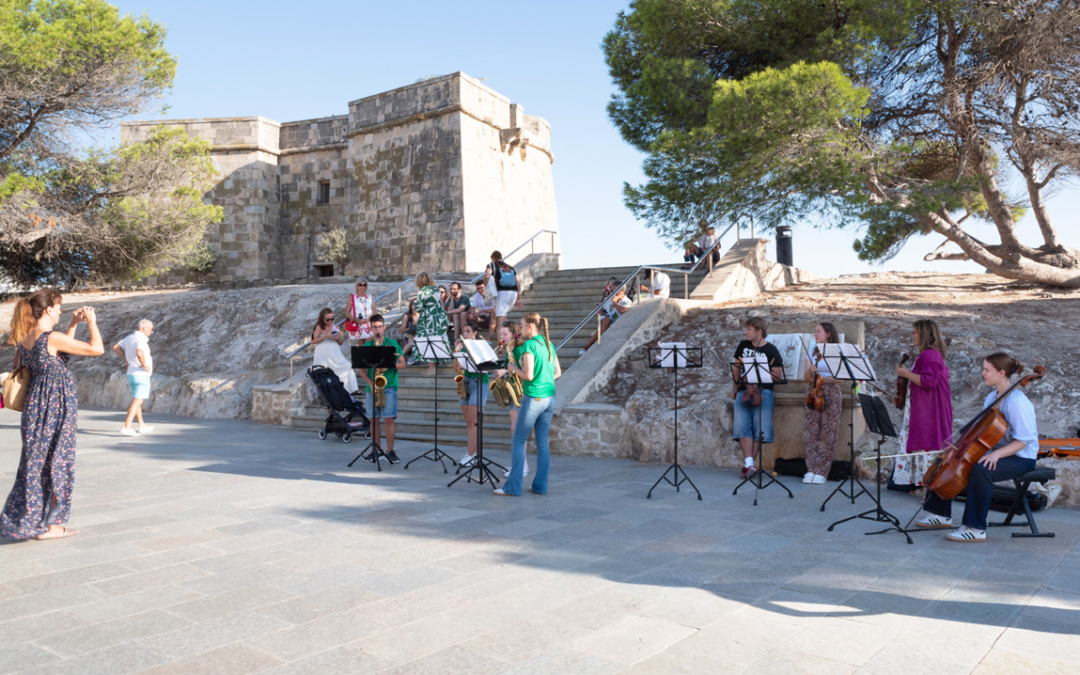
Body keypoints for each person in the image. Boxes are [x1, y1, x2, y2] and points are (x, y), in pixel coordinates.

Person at [1, 289, 104, 540]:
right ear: (48, 309)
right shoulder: (51, 338)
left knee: (36, 465)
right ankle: (52, 526)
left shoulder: (27, 336)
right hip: (56, 406)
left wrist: (72, 324)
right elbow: (97, 349)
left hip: (37, 407)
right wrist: (91, 322)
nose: (60, 310)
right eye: (59, 307)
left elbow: (59, 355)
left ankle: (31, 522)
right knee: (59, 463)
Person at [916, 353, 1038, 542]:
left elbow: (1023, 441)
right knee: (947, 458)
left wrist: (996, 454)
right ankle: (939, 515)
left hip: (1021, 456)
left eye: (987, 370)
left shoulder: (1018, 402)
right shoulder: (992, 397)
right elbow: (983, 431)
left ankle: (975, 528)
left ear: (1002, 373)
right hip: (998, 451)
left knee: (982, 470)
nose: (983, 374)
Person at [494, 312, 561, 496]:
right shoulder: (549, 344)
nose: (521, 329)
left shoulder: (530, 345)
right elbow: (557, 372)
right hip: (550, 398)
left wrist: (512, 368)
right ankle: (540, 486)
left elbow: (528, 375)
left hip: (534, 398)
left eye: (522, 326)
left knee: (518, 439)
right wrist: (544, 381)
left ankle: (513, 487)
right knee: (542, 443)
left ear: (531, 326)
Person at [892, 319, 952, 492]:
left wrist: (905, 373)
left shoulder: (931, 355)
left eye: (915, 331)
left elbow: (929, 382)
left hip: (930, 410)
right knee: (921, 443)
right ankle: (922, 485)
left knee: (928, 443)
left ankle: (930, 487)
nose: (912, 334)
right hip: (922, 407)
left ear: (925, 334)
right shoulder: (924, 355)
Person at [731, 317, 784, 478]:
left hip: (764, 391)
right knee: (742, 426)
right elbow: (737, 367)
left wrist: (761, 374)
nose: (746, 332)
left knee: (759, 429)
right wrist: (735, 387)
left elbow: (777, 375)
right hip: (744, 390)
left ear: (759, 331)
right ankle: (749, 465)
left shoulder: (771, 350)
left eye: (749, 329)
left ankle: (749, 465)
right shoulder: (743, 345)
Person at [357, 315, 406, 464]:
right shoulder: (366, 347)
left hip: (389, 385)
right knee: (374, 420)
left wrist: (389, 365)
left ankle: (390, 451)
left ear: (384, 327)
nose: (377, 329)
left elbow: (403, 364)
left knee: (389, 419)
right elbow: (361, 369)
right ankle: (376, 451)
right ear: (371, 329)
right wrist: (370, 383)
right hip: (372, 387)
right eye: (374, 327)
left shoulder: (391, 344)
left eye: (380, 326)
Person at [802, 322, 841, 484]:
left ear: (828, 334)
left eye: (818, 332)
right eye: (815, 332)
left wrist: (821, 379)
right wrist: (811, 372)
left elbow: (841, 378)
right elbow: (805, 377)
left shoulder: (837, 352)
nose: (815, 334)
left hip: (831, 392)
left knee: (828, 432)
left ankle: (822, 471)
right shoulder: (812, 351)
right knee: (810, 432)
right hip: (813, 392)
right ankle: (811, 468)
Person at [494, 320, 527, 478]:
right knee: (514, 429)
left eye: (505, 334)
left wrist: (505, 373)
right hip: (513, 389)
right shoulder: (509, 350)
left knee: (517, 430)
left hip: (520, 390)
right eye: (500, 334)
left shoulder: (519, 349)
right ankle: (517, 463)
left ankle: (522, 466)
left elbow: (523, 371)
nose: (501, 336)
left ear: (514, 334)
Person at [454, 322, 489, 468]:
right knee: (469, 423)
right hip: (466, 383)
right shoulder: (462, 348)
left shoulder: (482, 345)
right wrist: (457, 353)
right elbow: (456, 369)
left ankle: (471, 455)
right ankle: (472, 453)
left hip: (479, 382)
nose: (465, 334)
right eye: (464, 331)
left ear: (475, 333)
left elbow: (487, 365)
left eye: (468, 331)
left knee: (473, 421)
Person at [112, 319, 155, 436]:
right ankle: (127, 426)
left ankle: (142, 425)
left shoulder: (129, 337)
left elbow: (115, 347)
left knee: (137, 399)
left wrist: (126, 358)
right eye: (151, 329)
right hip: (140, 373)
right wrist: (145, 365)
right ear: (145, 328)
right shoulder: (141, 339)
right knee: (138, 400)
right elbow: (139, 352)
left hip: (131, 373)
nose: (151, 332)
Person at [311, 307, 359, 394]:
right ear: (322, 318)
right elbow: (313, 341)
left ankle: (352, 390)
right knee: (325, 372)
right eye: (328, 319)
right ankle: (330, 394)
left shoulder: (335, 327)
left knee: (347, 366)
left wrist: (337, 337)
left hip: (334, 351)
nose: (330, 321)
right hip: (322, 352)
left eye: (332, 319)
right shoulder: (318, 327)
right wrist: (325, 336)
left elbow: (340, 342)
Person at [414, 272, 449, 376]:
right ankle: (440, 358)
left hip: (428, 319)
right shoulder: (436, 290)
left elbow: (418, 308)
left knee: (426, 341)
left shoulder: (422, 292)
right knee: (439, 339)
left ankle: (431, 368)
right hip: (440, 317)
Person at [579, 287, 632, 354]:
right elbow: (605, 313)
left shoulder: (626, 301)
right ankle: (586, 347)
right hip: (606, 324)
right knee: (605, 319)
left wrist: (614, 302)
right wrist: (602, 312)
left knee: (605, 321)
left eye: (616, 291)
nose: (613, 293)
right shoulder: (609, 301)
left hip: (617, 325)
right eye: (612, 291)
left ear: (622, 291)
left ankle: (588, 347)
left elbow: (622, 310)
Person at [483, 251, 522, 334]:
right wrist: (519, 299)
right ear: (501, 257)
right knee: (503, 317)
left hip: (502, 293)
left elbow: (487, 275)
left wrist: (485, 286)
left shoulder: (491, 265)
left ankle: (500, 345)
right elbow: (517, 284)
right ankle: (515, 331)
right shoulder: (510, 267)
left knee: (500, 320)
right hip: (513, 293)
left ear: (492, 258)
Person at [345, 278, 376, 344]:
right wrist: (354, 319)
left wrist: (367, 320)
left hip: (368, 322)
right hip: (357, 322)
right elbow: (347, 312)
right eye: (360, 285)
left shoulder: (370, 297)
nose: (362, 287)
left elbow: (374, 312)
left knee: (372, 341)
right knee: (360, 343)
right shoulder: (352, 297)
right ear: (356, 286)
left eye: (364, 285)